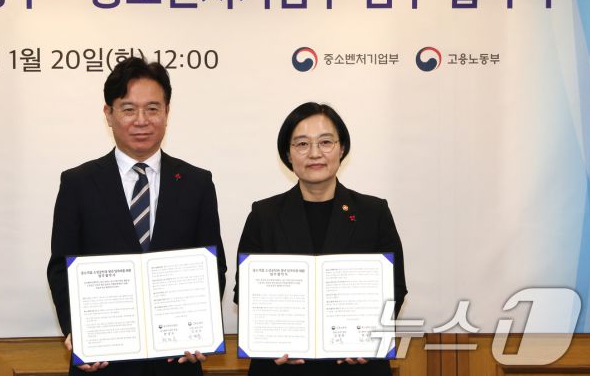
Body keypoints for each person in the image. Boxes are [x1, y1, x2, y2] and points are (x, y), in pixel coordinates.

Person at [47, 57, 227, 376]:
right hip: (103, 363)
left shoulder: (197, 183)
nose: (141, 120)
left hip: (176, 362)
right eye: (129, 109)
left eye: (152, 108)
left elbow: (213, 265)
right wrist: (79, 333)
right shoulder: (78, 183)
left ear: (167, 112)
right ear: (109, 114)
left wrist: (202, 329)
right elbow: (61, 267)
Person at [234, 102, 407, 375]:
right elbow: (245, 293)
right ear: (288, 154)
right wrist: (269, 341)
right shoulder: (263, 215)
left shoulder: (374, 213)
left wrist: (369, 338)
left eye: (325, 142)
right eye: (302, 144)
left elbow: (395, 287)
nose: (315, 153)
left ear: (342, 148)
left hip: (356, 366)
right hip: (282, 367)